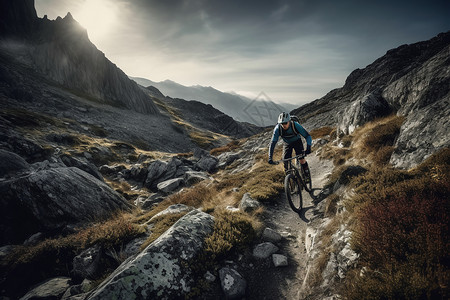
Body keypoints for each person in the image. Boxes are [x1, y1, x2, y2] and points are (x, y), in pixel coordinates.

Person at [268, 112, 312, 177]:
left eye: (285, 123)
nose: (284, 125)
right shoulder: (277, 129)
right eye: (282, 124)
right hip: (287, 143)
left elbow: (308, 136)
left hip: (297, 142)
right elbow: (272, 143)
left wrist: (308, 148)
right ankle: (290, 181)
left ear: (289, 121)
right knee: (286, 163)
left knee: (301, 159)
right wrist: (270, 158)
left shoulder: (295, 125)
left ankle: (306, 174)